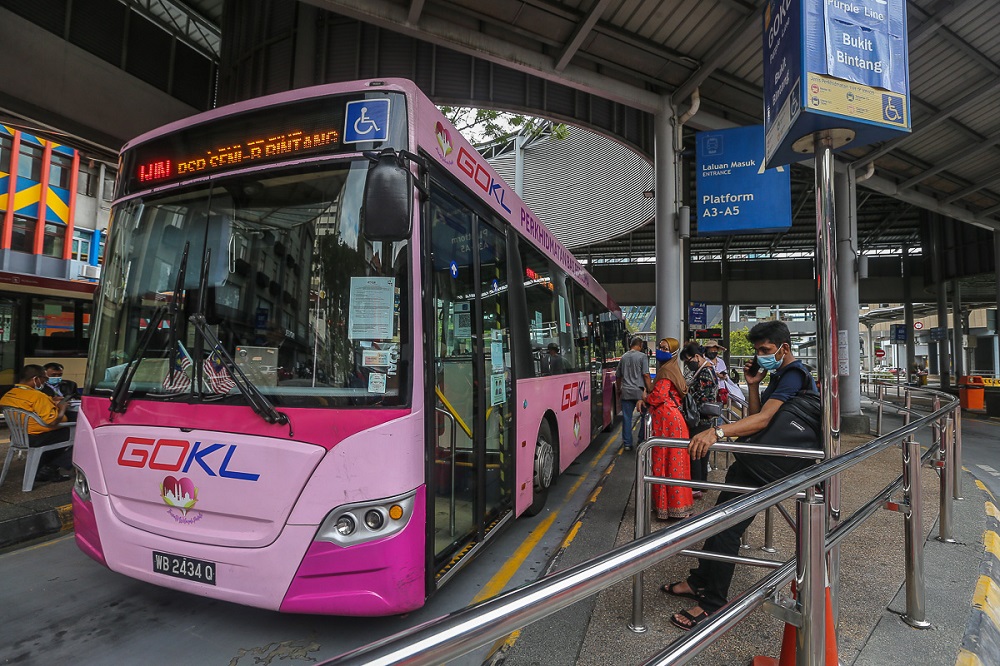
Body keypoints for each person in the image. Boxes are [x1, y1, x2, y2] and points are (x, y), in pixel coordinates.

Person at [665, 320, 818, 631]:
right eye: (758, 350)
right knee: (719, 520)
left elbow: (762, 421)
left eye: (765, 350)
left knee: (727, 529)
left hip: (764, 466)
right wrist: (751, 385)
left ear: (783, 348)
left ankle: (713, 602)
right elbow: (757, 416)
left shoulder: (793, 373)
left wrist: (717, 431)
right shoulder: (779, 374)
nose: (760, 355)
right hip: (755, 461)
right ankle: (699, 581)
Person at [642, 337, 694, 519]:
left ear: (673, 352)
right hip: (671, 422)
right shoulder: (671, 369)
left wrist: (645, 399)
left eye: (664, 348)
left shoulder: (666, 372)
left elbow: (658, 396)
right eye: (659, 346)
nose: (659, 350)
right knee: (674, 463)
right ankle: (676, 507)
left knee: (667, 463)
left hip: (667, 423)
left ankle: (669, 508)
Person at [0, 365, 74, 483]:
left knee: (62, 436)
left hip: (18, 436)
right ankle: (51, 468)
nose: (45, 382)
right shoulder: (38, 396)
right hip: (37, 437)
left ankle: (41, 469)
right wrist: (62, 408)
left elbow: (28, 405)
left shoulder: (9, 394)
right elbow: (53, 421)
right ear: (36, 379)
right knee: (80, 436)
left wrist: (51, 401)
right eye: (44, 379)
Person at [678, 342, 719, 497]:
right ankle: (702, 484)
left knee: (695, 452)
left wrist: (687, 393)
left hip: (700, 419)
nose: (689, 364)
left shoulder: (704, 372)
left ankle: (695, 487)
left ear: (696, 356)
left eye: (689, 361)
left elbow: (704, 396)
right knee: (702, 453)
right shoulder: (709, 369)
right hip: (705, 419)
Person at [615, 336, 652, 451]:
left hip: (626, 391)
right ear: (640, 345)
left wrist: (618, 389)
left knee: (627, 418)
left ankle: (627, 444)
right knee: (644, 416)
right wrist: (649, 389)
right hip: (640, 392)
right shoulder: (642, 357)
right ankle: (641, 440)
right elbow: (646, 374)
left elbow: (618, 375)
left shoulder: (624, 357)